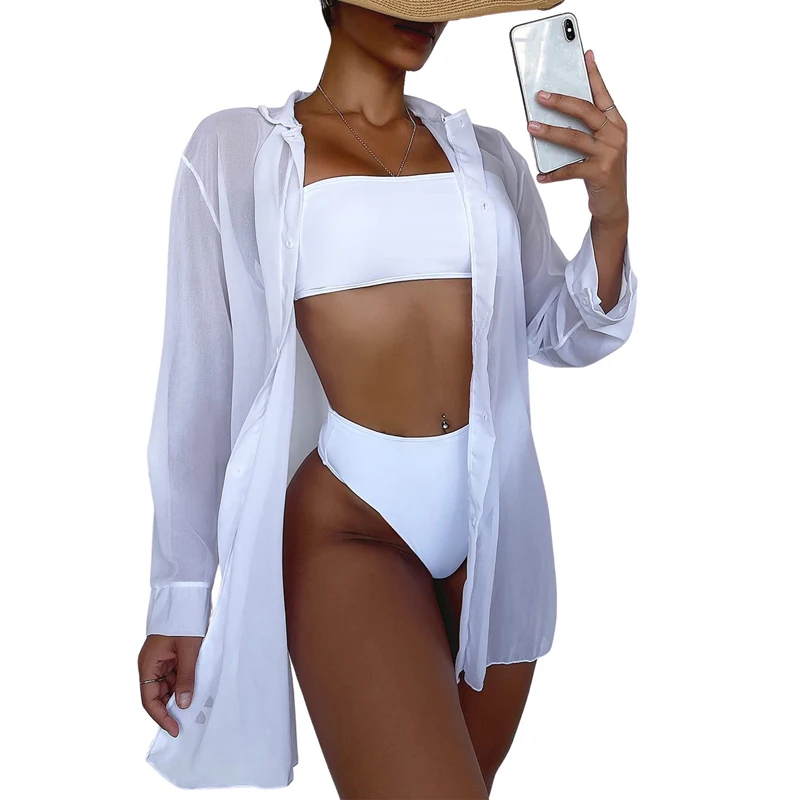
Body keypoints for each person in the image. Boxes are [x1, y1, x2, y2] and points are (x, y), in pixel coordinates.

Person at [137, 0, 637, 795]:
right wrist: (180, 598)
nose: (425, 13)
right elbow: (196, 387)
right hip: (351, 526)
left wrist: (609, 213)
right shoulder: (237, 151)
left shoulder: (486, 156)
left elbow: (559, 333)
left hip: (499, 533)